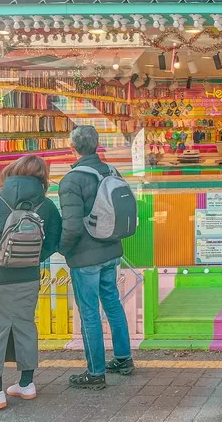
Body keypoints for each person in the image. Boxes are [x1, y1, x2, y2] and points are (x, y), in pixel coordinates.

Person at [0, 155, 62, 410]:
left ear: (12, 171)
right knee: (24, 328)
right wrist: (34, 258)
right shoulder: (47, 206)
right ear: (42, 178)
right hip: (27, 279)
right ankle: (26, 385)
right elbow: (53, 239)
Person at [59, 126, 134, 390]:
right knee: (112, 304)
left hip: (85, 257)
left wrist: (62, 248)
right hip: (111, 250)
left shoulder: (71, 181)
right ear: (96, 145)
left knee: (89, 312)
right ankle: (123, 359)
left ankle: (95, 373)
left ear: (73, 147)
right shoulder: (111, 171)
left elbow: (71, 226)